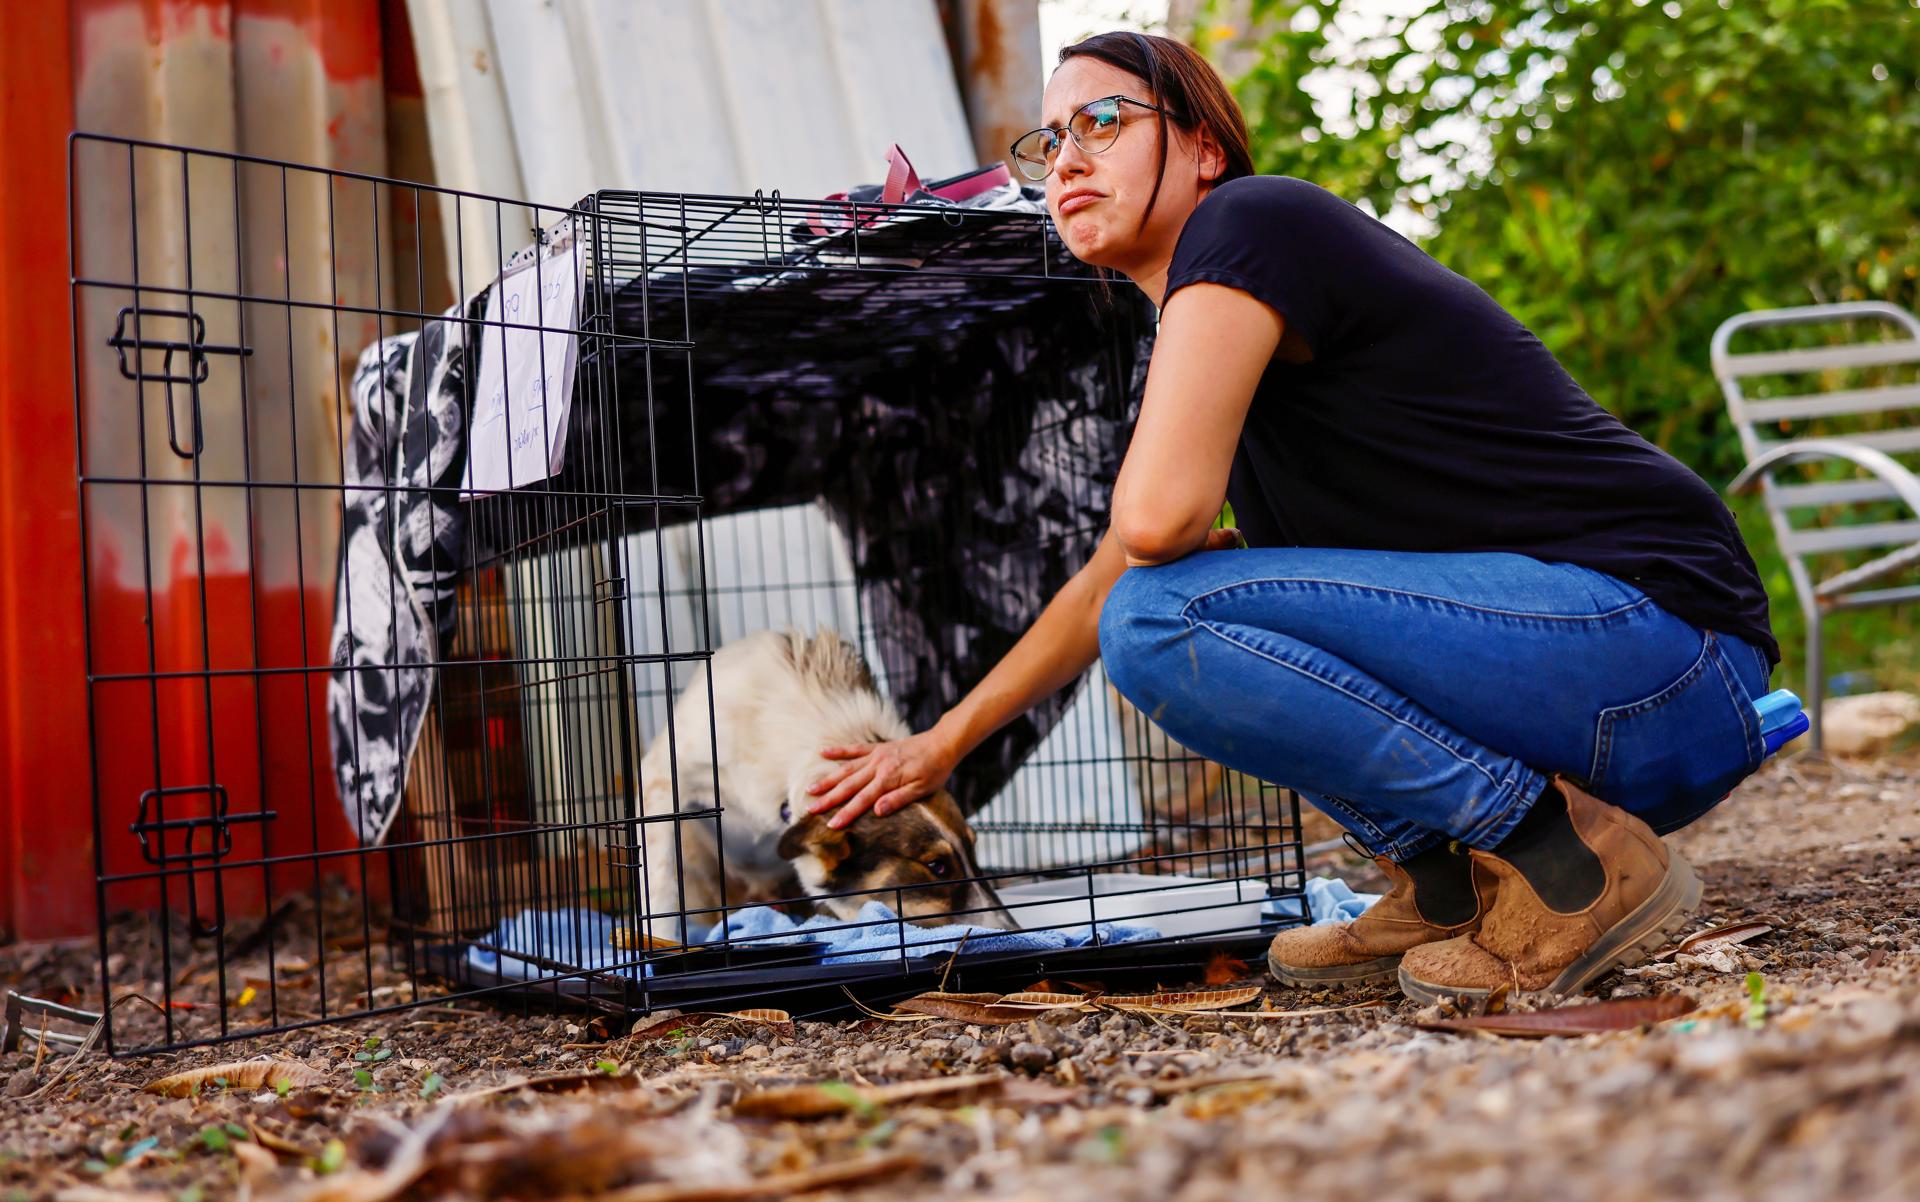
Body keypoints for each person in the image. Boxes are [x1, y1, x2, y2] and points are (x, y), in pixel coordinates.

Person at [805, 31, 1778, 1004]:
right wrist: (941, 742)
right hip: (1603, 695)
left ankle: (1569, 864)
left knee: (1162, 618)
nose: (1066, 161)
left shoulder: (1251, 221)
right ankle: (1444, 884)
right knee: (1177, 605)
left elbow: (1150, 534)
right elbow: (1121, 562)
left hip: (1662, 649)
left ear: (1204, 150)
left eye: (1102, 121)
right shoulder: (1215, 315)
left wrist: (1205, 555)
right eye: (1049, 141)